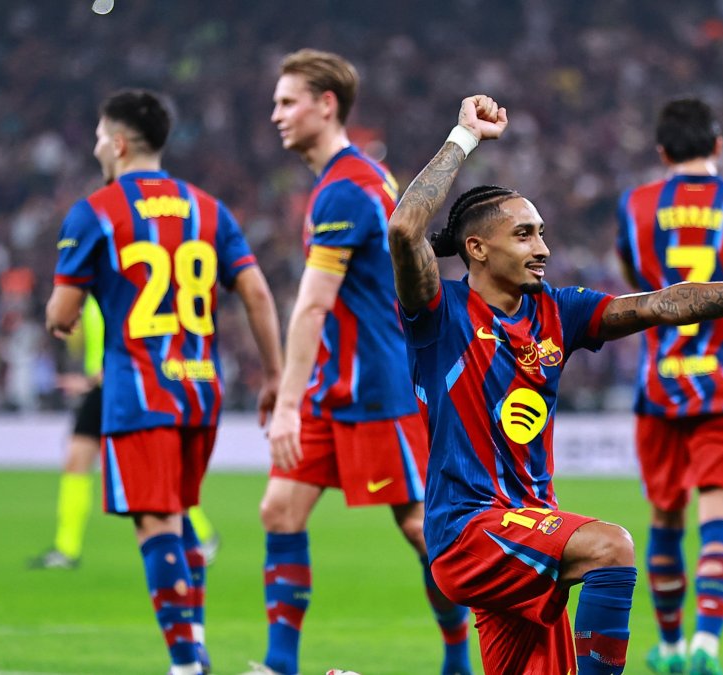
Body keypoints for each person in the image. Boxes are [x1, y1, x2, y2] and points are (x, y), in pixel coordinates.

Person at [386, 93, 723, 675]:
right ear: (476, 248)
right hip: (470, 529)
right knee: (612, 547)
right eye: (524, 235)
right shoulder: (437, 313)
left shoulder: (560, 311)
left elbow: (663, 304)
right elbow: (404, 229)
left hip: (527, 525)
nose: (544, 249)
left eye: (542, 234)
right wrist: (464, 138)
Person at [247, 49, 471, 675]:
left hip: (377, 384)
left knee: (425, 528)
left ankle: (460, 662)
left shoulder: (345, 190)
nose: (276, 115)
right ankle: (278, 664)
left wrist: (285, 405)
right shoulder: (364, 176)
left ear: (326, 105)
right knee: (279, 508)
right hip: (336, 384)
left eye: (288, 102)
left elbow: (313, 307)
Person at [47, 89, 283, 675]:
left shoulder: (96, 209)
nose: (99, 146)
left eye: (101, 136)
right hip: (201, 387)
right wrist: (275, 372)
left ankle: (185, 663)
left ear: (120, 143)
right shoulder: (209, 208)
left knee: (155, 524)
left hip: (139, 389)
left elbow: (59, 313)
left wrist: (69, 308)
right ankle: (194, 650)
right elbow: (254, 291)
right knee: (179, 516)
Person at [614, 97, 723, 674]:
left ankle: (666, 646)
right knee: (719, 515)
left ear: (662, 152)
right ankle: (705, 647)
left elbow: (642, 293)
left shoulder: (634, 207)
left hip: (659, 387)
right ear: (719, 145)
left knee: (664, 516)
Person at [30, 296, 222, 570]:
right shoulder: (92, 294)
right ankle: (66, 549)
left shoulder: (117, 286)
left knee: (155, 469)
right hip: (101, 387)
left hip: (124, 384)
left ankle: (202, 535)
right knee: (76, 459)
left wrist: (89, 380)